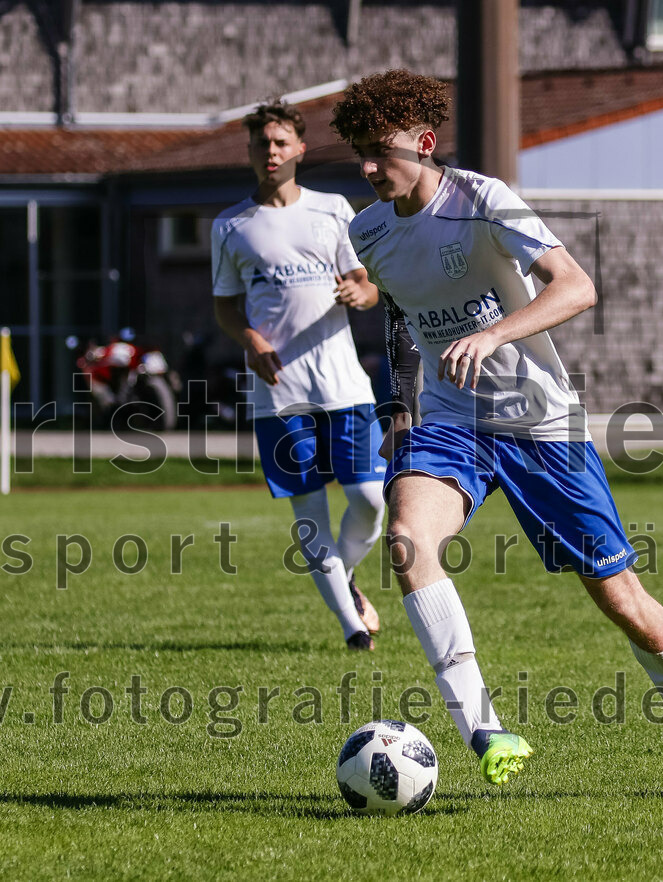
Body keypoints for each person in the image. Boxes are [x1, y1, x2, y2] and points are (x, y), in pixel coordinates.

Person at [331, 69, 663, 798]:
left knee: (627, 607)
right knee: (406, 540)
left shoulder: (482, 200)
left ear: (424, 145)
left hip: (543, 429)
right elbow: (400, 317)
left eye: (379, 151)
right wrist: (400, 413)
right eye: (357, 153)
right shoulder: (366, 229)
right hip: (454, 424)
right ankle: (484, 729)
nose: (366, 168)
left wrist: (494, 335)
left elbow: (576, 284)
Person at [212, 100, 387, 651]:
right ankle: (352, 626)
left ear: (300, 149)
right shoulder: (230, 225)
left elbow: (365, 282)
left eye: (281, 142)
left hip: (343, 385)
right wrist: (252, 340)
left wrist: (363, 292)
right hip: (279, 394)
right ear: (249, 152)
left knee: (370, 500)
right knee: (309, 512)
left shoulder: (333, 209)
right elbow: (225, 307)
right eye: (262, 143)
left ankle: (348, 575)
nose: (271, 151)